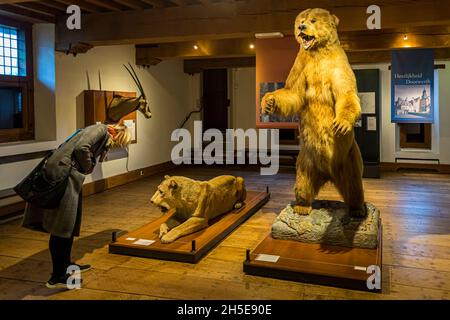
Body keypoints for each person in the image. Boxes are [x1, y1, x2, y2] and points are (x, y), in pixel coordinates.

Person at [22, 123, 131, 289]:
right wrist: (87, 166)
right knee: (62, 226)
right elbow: (81, 147)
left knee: (68, 224)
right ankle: (57, 276)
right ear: (118, 134)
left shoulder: (98, 132)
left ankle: (66, 265)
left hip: (69, 176)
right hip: (64, 176)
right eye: (119, 142)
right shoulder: (100, 129)